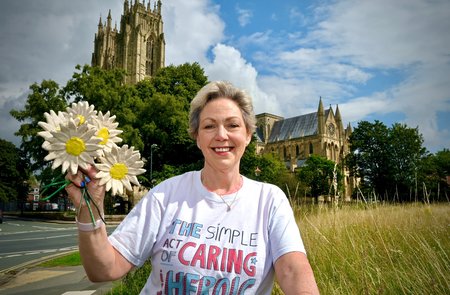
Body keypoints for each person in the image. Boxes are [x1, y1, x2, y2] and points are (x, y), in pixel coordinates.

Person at [66, 81, 319, 294]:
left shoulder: (270, 199)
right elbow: (103, 270)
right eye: (209, 126)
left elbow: (293, 270)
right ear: (197, 137)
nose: (221, 135)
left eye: (232, 125)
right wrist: (90, 207)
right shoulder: (167, 195)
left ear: (249, 135)